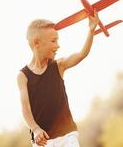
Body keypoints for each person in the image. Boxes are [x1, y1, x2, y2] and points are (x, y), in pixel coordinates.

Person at [17, 11, 100, 146]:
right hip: (42, 141)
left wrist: (91, 31)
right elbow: (25, 109)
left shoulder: (59, 65)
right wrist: (35, 129)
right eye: (53, 41)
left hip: (67, 136)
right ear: (37, 43)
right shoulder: (23, 76)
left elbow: (81, 54)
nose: (58, 45)